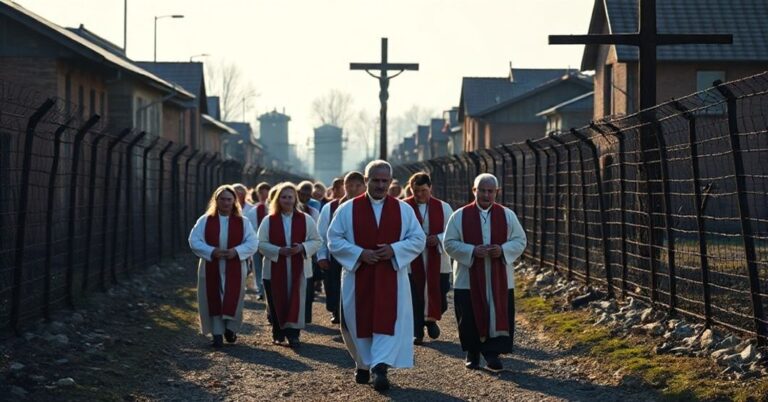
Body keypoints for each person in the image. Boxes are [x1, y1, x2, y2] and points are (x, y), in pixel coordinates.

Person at [328, 160, 426, 392]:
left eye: (385, 181)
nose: (381, 185)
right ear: (366, 181)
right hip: (357, 275)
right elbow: (334, 239)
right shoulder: (347, 209)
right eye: (376, 180)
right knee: (356, 321)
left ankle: (380, 367)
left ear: (390, 181)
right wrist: (359, 253)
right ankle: (363, 363)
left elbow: (418, 239)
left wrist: (394, 250)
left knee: (388, 319)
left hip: (391, 275)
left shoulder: (403, 209)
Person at [443, 173, 526, 372]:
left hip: (500, 277)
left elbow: (520, 240)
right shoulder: (460, 215)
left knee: (497, 311)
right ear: (474, 191)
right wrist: (472, 251)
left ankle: (492, 354)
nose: (486, 195)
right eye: (482, 190)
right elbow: (449, 243)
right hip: (468, 277)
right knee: (469, 315)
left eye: (490, 191)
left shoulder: (507, 215)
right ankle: (472, 352)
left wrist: (503, 250)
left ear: (497, 192)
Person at [188, 185, 259, 347]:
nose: (226, 203)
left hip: (234, 265)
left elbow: (252, 242)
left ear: (234, 201)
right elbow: (194, 240)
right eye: (222, 199)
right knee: (212, 297)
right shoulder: (205, 220)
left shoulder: (243, 222)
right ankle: (217, 333)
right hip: (210, 264)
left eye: (229, 199)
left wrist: (236, 251)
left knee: (233, 297)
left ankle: (230, 328)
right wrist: (212, 251)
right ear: (216, 200)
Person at [257, 182, 321, 347]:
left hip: (299, 267)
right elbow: (260, 243)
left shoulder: (306, 219)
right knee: (275, 300)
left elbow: (316, 240)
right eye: (283, 197)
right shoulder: (268, 220)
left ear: (295, 199)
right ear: (278, 199)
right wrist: (278, 250)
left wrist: (301, 247)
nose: (287, 200)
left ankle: (293, 334)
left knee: (296, 300)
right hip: (274, 267)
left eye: (290, 197)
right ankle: (278, 332)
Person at [403, 172, 454, 345]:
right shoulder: (404, 207)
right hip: (412, 261)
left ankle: (430, 320)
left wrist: (438, 237)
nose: (419, 195)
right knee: (414, 296)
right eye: (415, 190)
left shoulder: (444, 207)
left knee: (441, 292)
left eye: (423, 190)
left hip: (437, 259)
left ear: (430, 188)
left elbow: (453, 231)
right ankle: (417, 331)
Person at [316, 171, 366, 324]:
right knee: (334, 286)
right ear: (344, 187)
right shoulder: (330, 208)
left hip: (361, 255)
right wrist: (322, 255)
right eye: (350, 185)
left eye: (358, 186)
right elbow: (322, 234)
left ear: (364, 187)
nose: (354, 189)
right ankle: (337, 312)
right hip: (335, 255)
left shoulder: (367, 208)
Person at [244, 182, 272, 300]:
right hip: (257, 243)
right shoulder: (254, 211)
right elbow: (252, 228)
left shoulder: (273, 208)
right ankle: (261, 290)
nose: (263, 195)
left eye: (266, 192)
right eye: (261, 193)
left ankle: (269, 289)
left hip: (272, 244)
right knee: (258, 267)